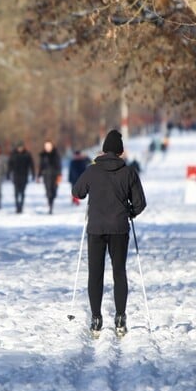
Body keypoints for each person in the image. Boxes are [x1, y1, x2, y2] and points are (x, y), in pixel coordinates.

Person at [71, 130, 146, 337]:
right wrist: (129, 212)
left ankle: (96, 319)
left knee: (95, 273)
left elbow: (77, 192)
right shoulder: (128, 172)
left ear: (104, 149)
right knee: (119, 272)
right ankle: (120, 317)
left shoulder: (92, 171)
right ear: (121, 151)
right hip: (119, 228)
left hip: (96, 228)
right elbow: (140, 203)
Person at [7, 141, 35, 214]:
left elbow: (31, 165)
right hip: (16, 176)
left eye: (21, 147)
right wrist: (8, 173)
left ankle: (21, 206)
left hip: (24, 176)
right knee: (16, 192)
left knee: (22, 192)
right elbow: (10, 165)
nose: (20, 149)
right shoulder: (13, 154)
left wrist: (33, 174)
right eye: (19, 147)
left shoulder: (27, 154)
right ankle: (17, 206)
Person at [38, 139, 62, 214]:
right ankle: (50, 205)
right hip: (46, 175)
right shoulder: (42, 155)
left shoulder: (56, 154)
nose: (47, 147)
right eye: (46, 146)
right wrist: (38, 176)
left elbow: (59, 165)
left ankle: (51, 201)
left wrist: (59, 175)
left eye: (49, 146)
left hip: (55, 175)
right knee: (48, 191)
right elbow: (41, 166)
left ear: (51, 146)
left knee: (54, 191)